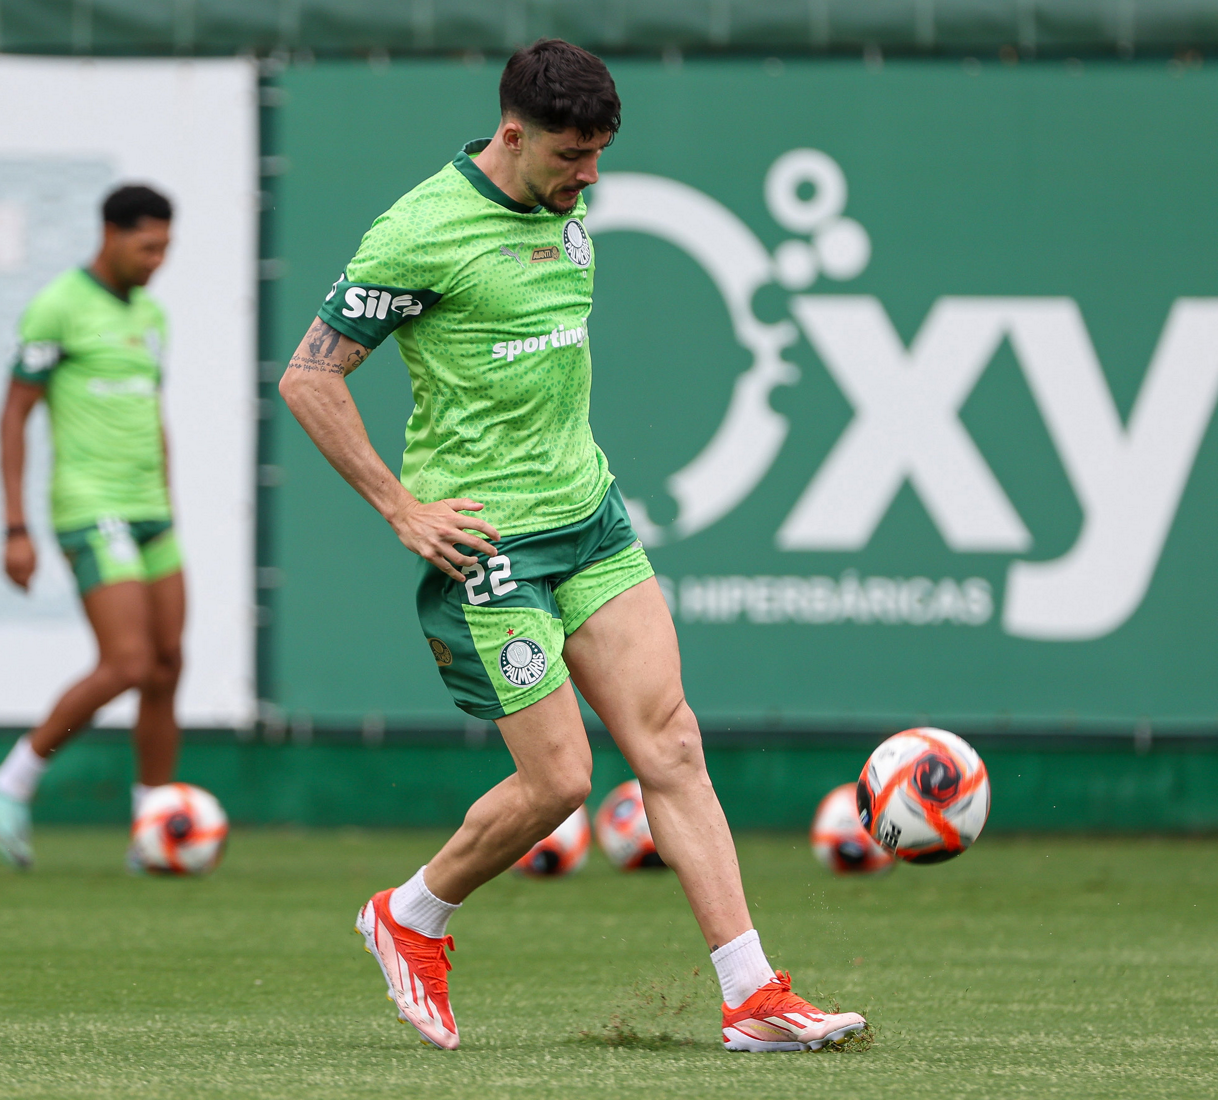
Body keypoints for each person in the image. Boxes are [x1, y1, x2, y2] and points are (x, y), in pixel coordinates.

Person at [280, 39, 867, 1052]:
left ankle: (752, 997)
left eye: (598, 154)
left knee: (671, 744)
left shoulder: (564, 202)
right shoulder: (420, 233)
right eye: (570, 156)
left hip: (590, 519)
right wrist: (400, 508)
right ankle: (410, 915)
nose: (588, 176)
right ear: (512, 135)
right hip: (491, 546)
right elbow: (308, 377)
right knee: (558, 782)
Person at [0, 185, 184, 871]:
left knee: (166, 666)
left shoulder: (151, 314)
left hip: (153, 511)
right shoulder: (58, 305)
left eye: (165, 249)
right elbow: (14, 414)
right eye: (146, 247)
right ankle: (11, 780)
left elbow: (151, 414)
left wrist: (169, 498)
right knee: (128, 663)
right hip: (90, 507)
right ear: (110, 235)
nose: (156, 261)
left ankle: (152, 828)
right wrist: (15, 527)